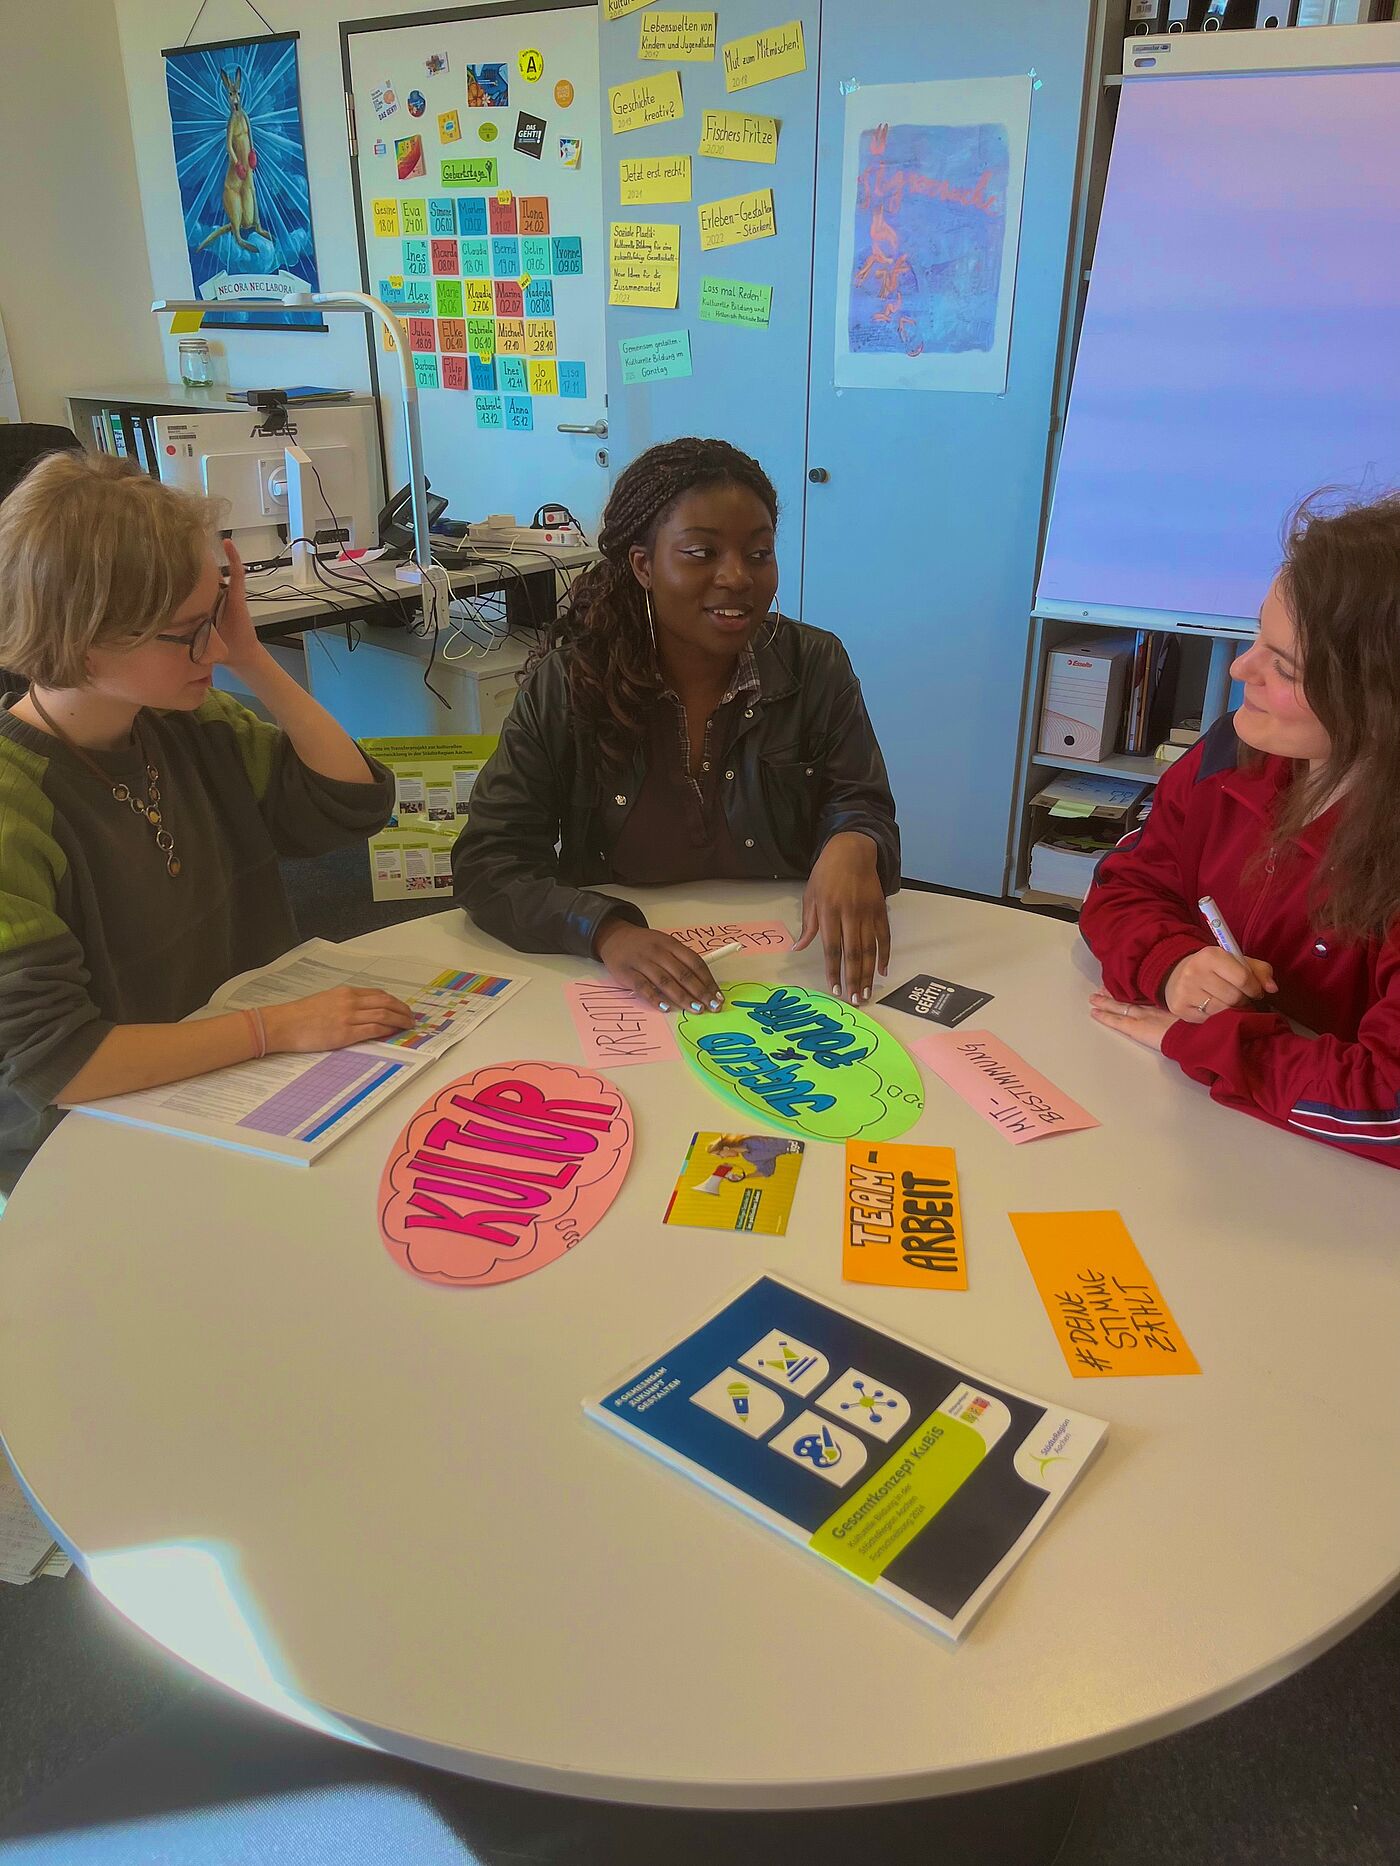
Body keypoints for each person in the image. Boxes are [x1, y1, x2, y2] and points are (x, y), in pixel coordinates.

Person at [0, 452, 414, 1191]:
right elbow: (60, 1063)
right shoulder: (14, 809)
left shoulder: (184, 722)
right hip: (89, 1151)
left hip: (233, 1089)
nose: (215, 649)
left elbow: (352, 804)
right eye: (191, 630)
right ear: (90, 635)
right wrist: (275, 1029)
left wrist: (255, 659)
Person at [453, 437, 900, 1010]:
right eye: (701, 553)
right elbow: (488, 862)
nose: (738, 577)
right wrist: (607, 933)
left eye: (759, 554)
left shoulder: (815, 665)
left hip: (792, 966)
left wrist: (854, 842)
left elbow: (861, 802)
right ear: (644, 565)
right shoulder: (571, 683)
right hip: (629, 984)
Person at [1080, 491, 1400, 1169]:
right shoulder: (1237, 751)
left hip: (1330, 1182)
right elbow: (1123, 888)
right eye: (1258, 637)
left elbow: (1386, 1105)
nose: (1238, 669)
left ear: (1379, 705)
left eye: (1282, 667)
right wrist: (1174, 966)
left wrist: (1216, 1042)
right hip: (1208, 1128)